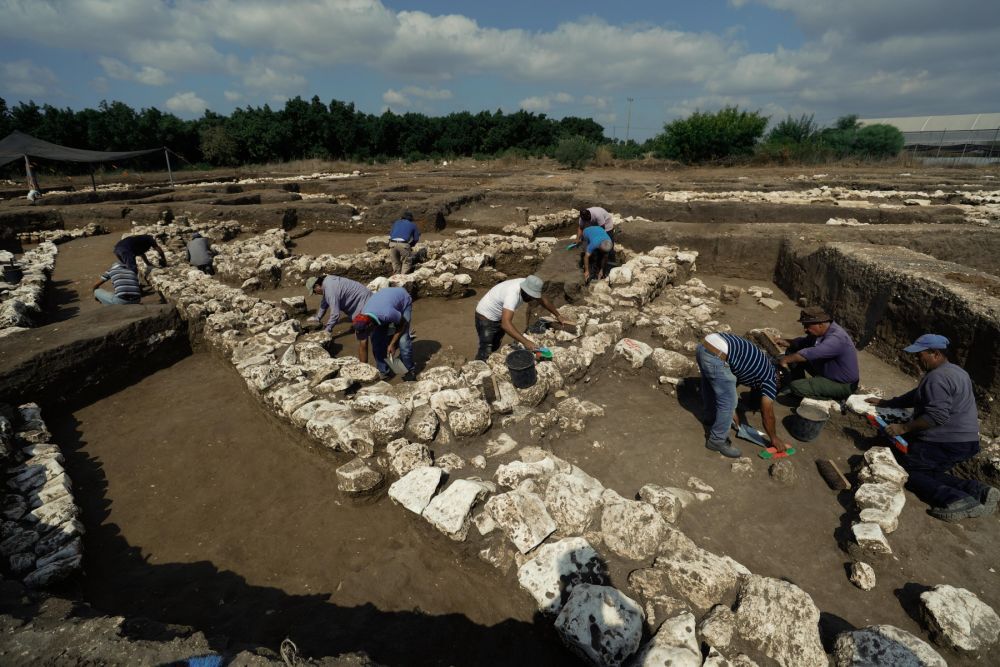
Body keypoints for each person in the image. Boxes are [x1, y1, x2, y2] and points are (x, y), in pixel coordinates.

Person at [866, 334, 997, 522]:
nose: (916, 359)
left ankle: (956, 499)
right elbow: (920, 395)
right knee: (929, 471)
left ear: (935, 353)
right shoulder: (957, 372)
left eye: (920, 354)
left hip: (946, 441)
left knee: (907, 471)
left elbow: (936, 415)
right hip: (966, 441)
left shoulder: (937, 378)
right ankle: (979, 491)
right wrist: (889, 402)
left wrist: (903, 428)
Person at [696, 332, 790, 458]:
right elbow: (767, 413)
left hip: (705, 346)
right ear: (779, 381)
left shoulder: (762, 365)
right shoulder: (771, 379)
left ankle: (711, 418)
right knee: (729, 402)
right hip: (717, 355)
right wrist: (774, 438)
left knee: (710, 386)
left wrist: (732, 412)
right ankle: (716, 441)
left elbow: (728, 381)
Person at [474, 275, 571, 362]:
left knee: (495, 344)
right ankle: (478, 369)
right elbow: (506, 324)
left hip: (500, 315)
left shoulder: (529, 284)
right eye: (530, 296)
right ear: (524, 290)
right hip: (485, 316)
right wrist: (526, 342)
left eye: (534, 296)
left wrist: (558, 315)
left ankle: (490, 360)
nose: (533, 299)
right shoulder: (512, 295)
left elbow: (543, 300)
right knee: (486, 348)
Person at [776, 307, 860, 400]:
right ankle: (805, 385)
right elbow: (805, 341)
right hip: (828, 372)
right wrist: (788, 342)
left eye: (807, 326)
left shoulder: (836, 338)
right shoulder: (823, 331)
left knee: (796, 387)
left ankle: (832, 399)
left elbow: (812, 353)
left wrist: (785, 360)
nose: (805, 330)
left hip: (843, 384)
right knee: (792, 351)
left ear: (820, 324)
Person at [351, 287, 416, 381]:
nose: (366, 335)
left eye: (367, 332)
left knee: (403, 340)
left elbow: (402, 324)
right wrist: (363, 372)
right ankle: (384, 371)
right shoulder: (361, 320)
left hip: (402, 300)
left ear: (370, 325)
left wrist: (392, 344)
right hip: (384, 303)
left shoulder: (387, 314)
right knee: (377, 341)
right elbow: (363, 345)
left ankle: (410, 371)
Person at [306, 274, 373, 361]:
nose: (316, 294)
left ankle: (365, 365)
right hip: (363, 298)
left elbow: (335, 314)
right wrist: (317, 318)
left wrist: (327, 330)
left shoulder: (330, 290)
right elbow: (324, 302)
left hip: (364, 302)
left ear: (317, 286)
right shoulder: (327, 282)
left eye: (314, 291)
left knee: (363, 334)